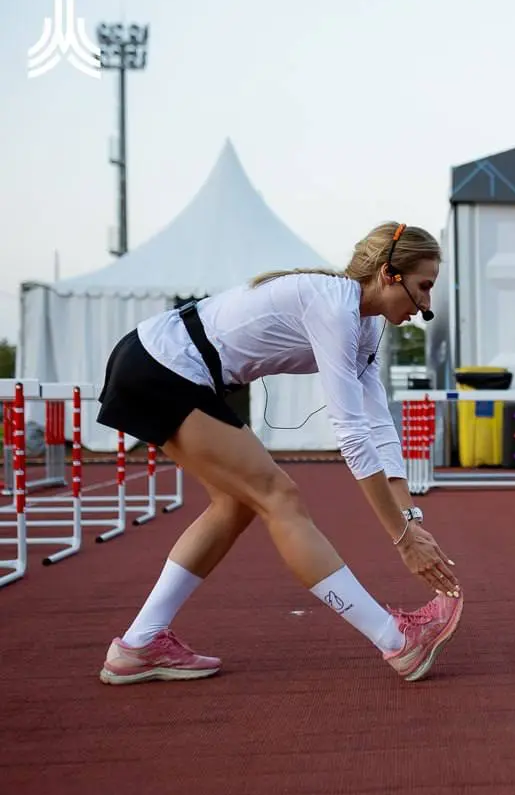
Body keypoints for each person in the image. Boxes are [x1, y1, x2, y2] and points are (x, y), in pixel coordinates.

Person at [94, 221, 463, 685]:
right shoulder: (334, 307)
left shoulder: (366, 326)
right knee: (279, 497)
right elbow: (350, 432)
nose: (427, 305)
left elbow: (378, 424)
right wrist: (400, 538)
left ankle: (139, 644)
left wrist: (409, 519)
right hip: (161, 365)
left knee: (236, 503)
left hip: (162, 364)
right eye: (423, 287)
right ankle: (397, 642)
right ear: (390, 274)